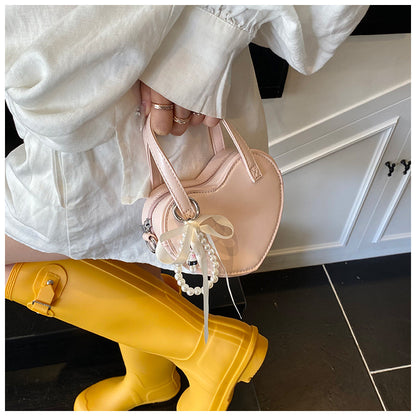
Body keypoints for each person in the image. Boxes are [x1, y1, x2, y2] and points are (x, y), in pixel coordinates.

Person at [5, 5, 368, 411]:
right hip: (66, 93)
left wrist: (203, 42)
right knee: (136, 247)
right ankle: (151, 378)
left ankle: (208, 350)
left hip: (135, 94)